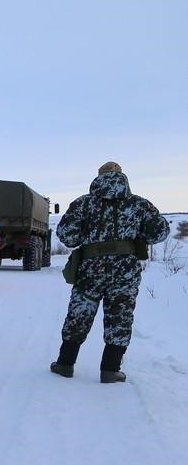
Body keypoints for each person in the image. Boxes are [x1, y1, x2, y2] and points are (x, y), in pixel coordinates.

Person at [50, 161, 169, 383]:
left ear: (98, 177)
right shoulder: (140, 205)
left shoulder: (82, 204)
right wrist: (137, 236)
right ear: (122, 176)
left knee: (80, 314)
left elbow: (67, 236)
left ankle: (65, 364)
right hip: (125, 271)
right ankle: (110, 370)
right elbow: (160, 232)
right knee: (120, 317)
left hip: (91, 269)